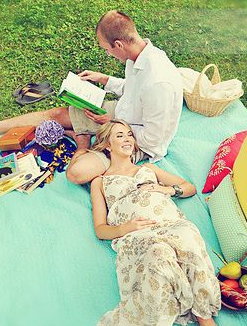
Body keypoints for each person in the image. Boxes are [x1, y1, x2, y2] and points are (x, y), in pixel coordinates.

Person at [0, 10, 183, 185]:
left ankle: (81, 139)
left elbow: (153, 138)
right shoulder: (138, 56)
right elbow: (133, 91)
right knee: (56, 114)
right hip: (124, 114)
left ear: (119, 44)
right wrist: (104, 79)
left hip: (136, 140)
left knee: (76, 173)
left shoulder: (158, 83)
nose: (107, 54)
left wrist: (111, 124)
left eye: (107, 49)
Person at [90, 120, 220, 326]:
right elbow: (100, 229)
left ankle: (204, 315)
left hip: (169, 223)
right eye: (119, 135)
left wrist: (167, 190)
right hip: (137, 234)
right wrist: (125, 228)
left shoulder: (149, 169)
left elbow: (189, 187)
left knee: (187, 236)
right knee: (159, 253)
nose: (127, 139)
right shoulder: (100, 182)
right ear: (107, 145)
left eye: (129, 134)